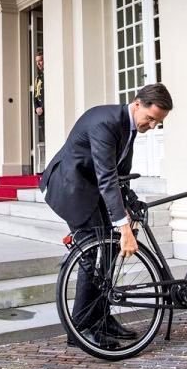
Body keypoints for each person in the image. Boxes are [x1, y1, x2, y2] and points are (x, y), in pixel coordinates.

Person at [40, 83, 173, 348]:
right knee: (90, 254)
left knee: (110, 250)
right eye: (150, 118)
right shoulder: (106, 122)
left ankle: (101, 317)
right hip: (70, 188)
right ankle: (80, 330)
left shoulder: (130, 126)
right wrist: (124, 228)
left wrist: (130, 205)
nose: (152, 126)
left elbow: (120, 173)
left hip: (92, 189)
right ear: (138, 104)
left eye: (158, 123)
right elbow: (107, 177)